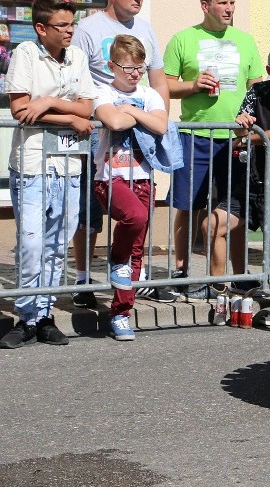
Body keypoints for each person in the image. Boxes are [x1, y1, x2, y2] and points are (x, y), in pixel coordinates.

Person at [71, 0, 172, 306]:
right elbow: (77, 78)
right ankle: (84, 279)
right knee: (89, 213)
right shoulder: (88, 28)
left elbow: (158, 81)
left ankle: (133, 279)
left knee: (137, 212)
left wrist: (156, 123)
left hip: (137, 140)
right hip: (97, 130)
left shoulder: (145, 30)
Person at [0, 0, 96, 349]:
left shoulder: (78, 57)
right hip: (32, 163)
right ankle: (26, 316)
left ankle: (44, 314)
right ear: (42, 28)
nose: (70, 31)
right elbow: (20, 109)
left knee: (57, 244)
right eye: (62, 26)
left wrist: (52, 102)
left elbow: (88, 107)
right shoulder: (27, 53)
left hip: (68, 164)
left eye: (72, 24)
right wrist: (69, 117)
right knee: (31, 242)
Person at [163, 0, 264, 301]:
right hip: (195, 134)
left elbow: (256, 88)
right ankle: (181, 271)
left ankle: (236, 274)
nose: (229, 9)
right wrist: (193, 85)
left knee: (233, 208)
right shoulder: (183, 39)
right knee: (187, 205)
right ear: (206, 6)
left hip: (234, 139)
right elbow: (164, 86)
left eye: (232, 3)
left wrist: (250, 123)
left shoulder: (245, 41)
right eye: (223, 3)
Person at [199, 44, 270, 326]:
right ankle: (221, 294)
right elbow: (241, 128)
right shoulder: (256, 92)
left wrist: (252, 135)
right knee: (211, 225)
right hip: (251, 179)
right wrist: (243, 125)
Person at [92, 35, 171, 341]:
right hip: (110, 177)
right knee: (135, 218)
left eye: (140, 68)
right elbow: (112, 121)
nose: (135, 74)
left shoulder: (149, 95)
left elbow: (161, 124)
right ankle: (116, 259)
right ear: (112, 66)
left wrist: (133, 112)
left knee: (136, 251)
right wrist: (137, 117)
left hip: (142, 176)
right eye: (128, 68)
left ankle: (121, 313)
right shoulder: (101, 92)